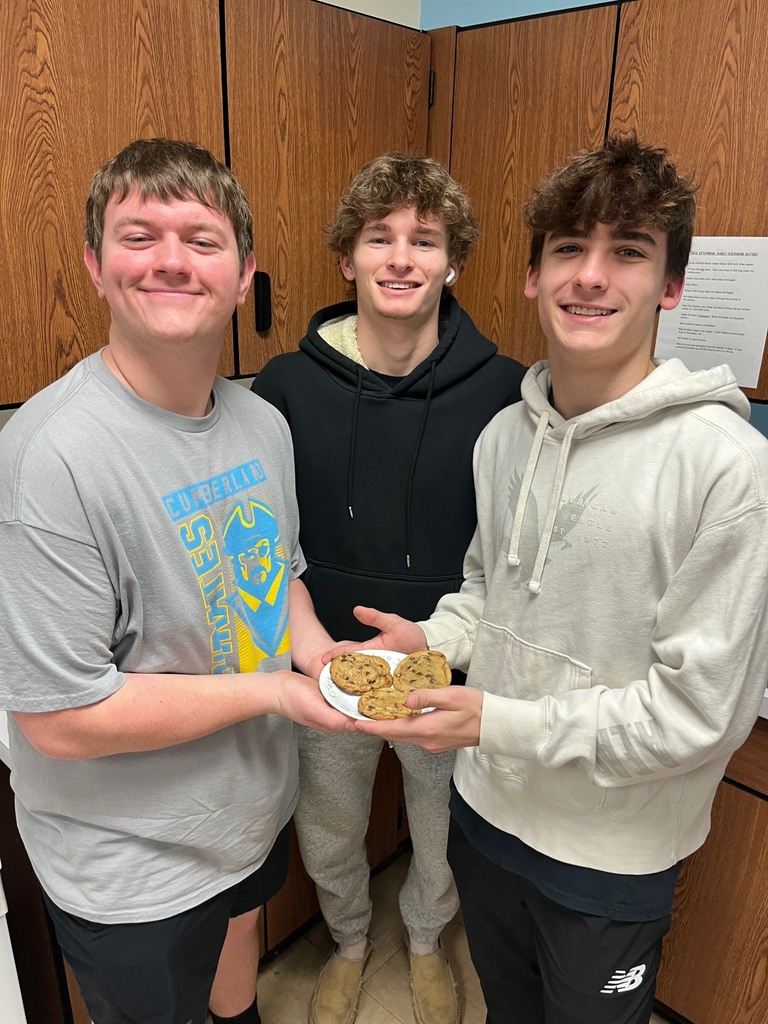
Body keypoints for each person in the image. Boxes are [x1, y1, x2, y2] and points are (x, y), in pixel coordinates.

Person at [326, 135, 768, 1024]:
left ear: (671, 286)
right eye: (569, 248)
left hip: (608, 854)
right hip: (486, 811)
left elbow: (698, 715)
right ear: (533, 275)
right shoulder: (505, 438)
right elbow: (486, 592)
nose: (591, 277)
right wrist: (432, 638)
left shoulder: (727, 468)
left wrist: (497, 721)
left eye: (628, 251)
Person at [0, 138, 354, 1024]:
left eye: (202, 239)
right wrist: (274, 692)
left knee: (238, 982)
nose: (170, 260)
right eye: (139, 236)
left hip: (248, 813)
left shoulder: (262, 425)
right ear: (95, 265)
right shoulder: (50, 458)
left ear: (243, 275)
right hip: (132, 867)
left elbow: (277, 578)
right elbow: (59, 719)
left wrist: (319, 656)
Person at [251, 152, 525, 1024]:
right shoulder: (285, 387)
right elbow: (269, 542)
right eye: (379, 237)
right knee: (329, 828)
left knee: (442, 833)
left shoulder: (508, 392)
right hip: (324, 660)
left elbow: (506, 553)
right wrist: (307, 650)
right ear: (348, 258)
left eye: (425, 239)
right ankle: (348, 943)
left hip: (444, 662)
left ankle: (424, 942)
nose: (401, 258)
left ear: (454, 262)